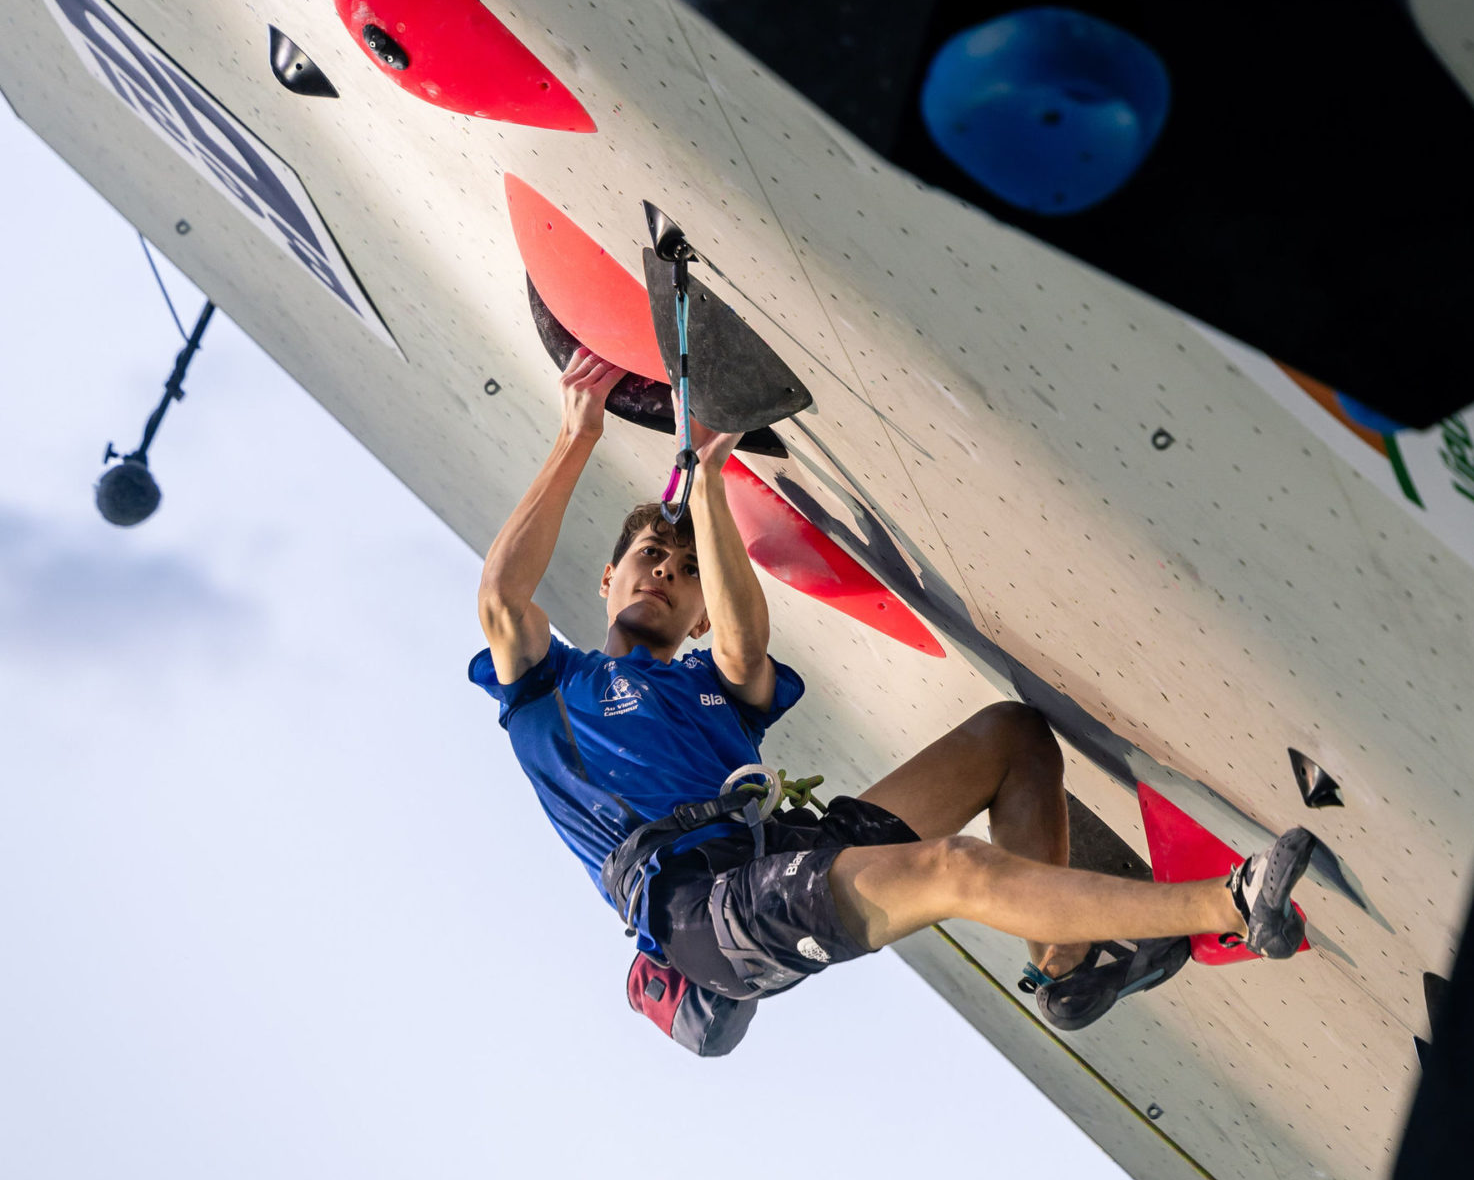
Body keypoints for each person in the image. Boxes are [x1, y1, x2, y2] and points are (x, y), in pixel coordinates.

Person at [472, 347, 1316, 1055]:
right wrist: (578, 436)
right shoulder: (552, 689)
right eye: (650, 554)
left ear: (699, 615)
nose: (665, 569)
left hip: (779, 850)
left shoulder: (713, 681)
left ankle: (1065, 966)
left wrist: (708, 483)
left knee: (1013, 736)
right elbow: (504, 600)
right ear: (607, 578)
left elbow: (743, 647)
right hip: (701, 911)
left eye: (688, 569)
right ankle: (1231, 906)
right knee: (954, 869)